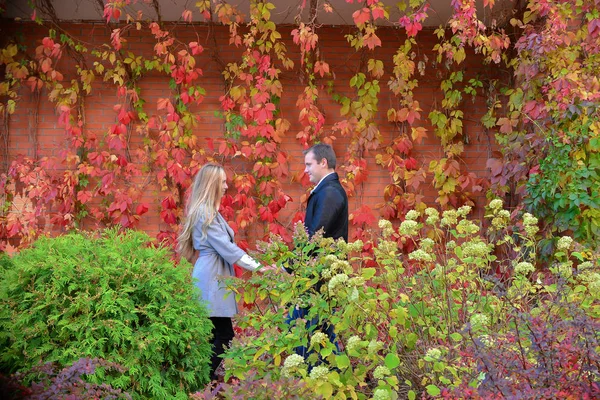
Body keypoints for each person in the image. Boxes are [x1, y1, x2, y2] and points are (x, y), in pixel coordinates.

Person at [177, 163, 267, 381]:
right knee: (224, 335)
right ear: (212, 185)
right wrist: (259, 267)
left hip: (214, 275)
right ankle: (200, 381)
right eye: (223, 182)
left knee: (213, 335)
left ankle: (199, 383)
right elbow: (227, 249)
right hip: (212, 278)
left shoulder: (209, 213)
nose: (227, 186)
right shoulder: (204, 214)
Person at [288, 143, 349, 360]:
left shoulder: (330, 192)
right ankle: (325, 377)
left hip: (319, 277)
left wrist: (288, 266)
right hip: (317, 274)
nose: (305, 170)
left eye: (308, 164)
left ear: (323, 163)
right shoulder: (326, 191)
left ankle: (311, 381)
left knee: (305, 330)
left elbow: (315, 235)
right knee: (317, 332)